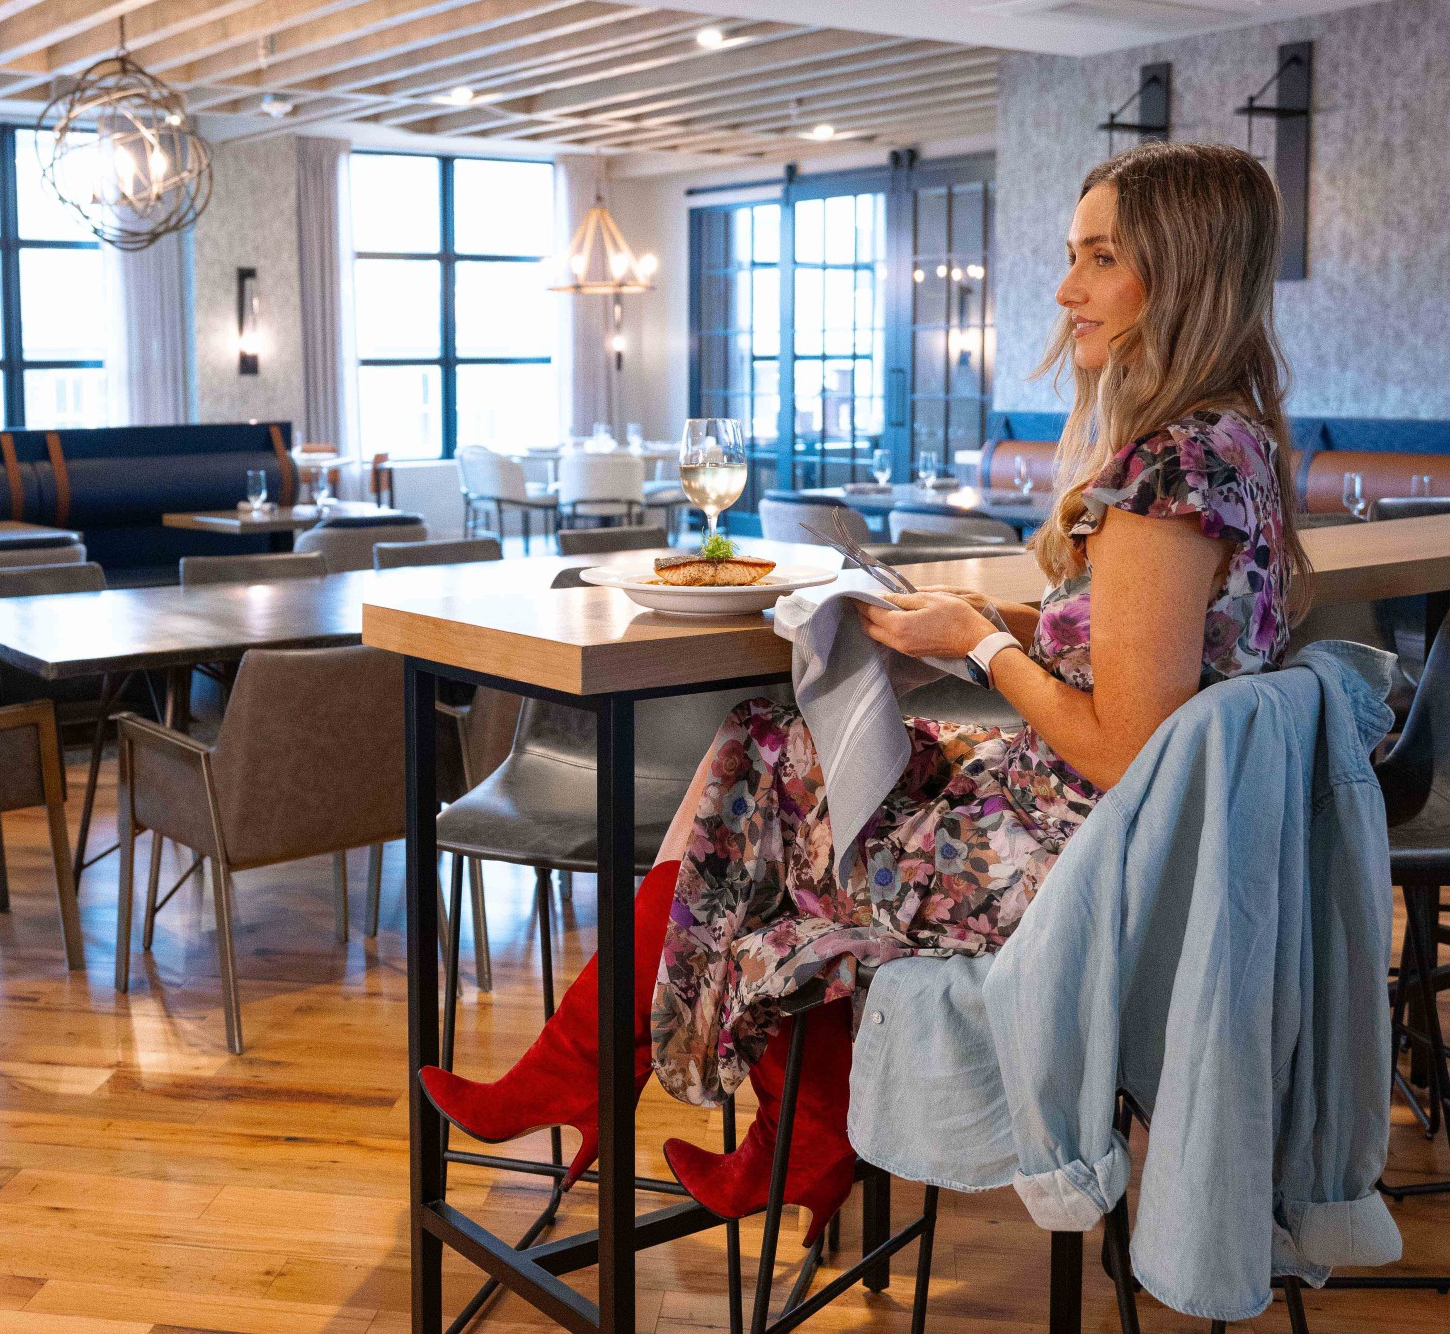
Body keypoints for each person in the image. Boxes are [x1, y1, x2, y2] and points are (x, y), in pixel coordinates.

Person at [423, 141, 1309, 1240]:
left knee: (772, 823)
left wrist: (981, 654)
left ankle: (654, 1092)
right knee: (768, 750)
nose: (1066, 287)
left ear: (1179, 274)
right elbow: (1158, 657)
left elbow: (1125, 741)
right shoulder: (1234, 443)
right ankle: (732, 1116)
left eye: (1099, 257)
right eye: (1070, 256)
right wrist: (993, 623)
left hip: (1066, 869)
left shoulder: (1171, 468)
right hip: (1120, 840)